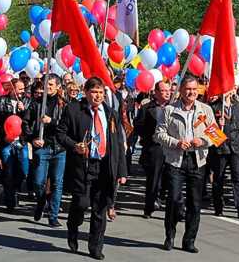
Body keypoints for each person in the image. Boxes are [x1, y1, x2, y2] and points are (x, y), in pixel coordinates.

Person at [56, 77, 127, 260]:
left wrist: (121, 171)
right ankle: (73, 227)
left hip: (104, 165)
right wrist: (74, 145)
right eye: (94, 92)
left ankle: (95, 247)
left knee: (99, 208)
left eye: (101, 92)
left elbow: (118, 142)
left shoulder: (110, 113)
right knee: (81, 203)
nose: (97, 96)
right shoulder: (73, 110)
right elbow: (60, 134)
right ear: (86, 92)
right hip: (83, 165)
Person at [154, 75, 213, 253]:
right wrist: (176, 143)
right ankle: (169, 235)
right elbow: (159, 134)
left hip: (197, 160)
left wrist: (202, 141)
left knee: (195, 203)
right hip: (175, 160)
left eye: (194, 89)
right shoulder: (169, 110)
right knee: (173, 199)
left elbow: (215, 135)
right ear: (180, 91)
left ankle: (189, 240)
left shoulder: (205, 110)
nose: (191, 92)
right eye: (188, 89)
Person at [26, 74, 67, 227]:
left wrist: (52, 121)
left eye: (51, 84)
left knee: (57, 183)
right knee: (38, 182)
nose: (47, 87)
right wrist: (32, 138)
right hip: (41, 148)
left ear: (57, 86)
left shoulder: (63, 104)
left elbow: (66, 126)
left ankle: (53, 215)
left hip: (59, 148)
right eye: (45, 84)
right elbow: (26, 123)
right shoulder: (36, 103)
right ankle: (41, 201)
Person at [209, 91, 239, 218]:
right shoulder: (213, 107)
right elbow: (208, 129)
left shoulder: (238, 106)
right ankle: (218, 206)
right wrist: (218, 126)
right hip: (220, 148)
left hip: (235, 147)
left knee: (238, 177)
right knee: (219, 178)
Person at [0, 78, 30, 211]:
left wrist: (23, 111)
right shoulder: (1, 101)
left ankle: (16, 187)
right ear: (12, 89)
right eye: (19, 89)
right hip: (7, 141)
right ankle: (10, 198)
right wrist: (4, 135)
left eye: (23, 89)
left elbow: (29, 121)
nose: (22, 92)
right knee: (8, 170)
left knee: (23, 169)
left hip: (21, 141)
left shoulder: (26, 101)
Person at [134, 81, 170, 219]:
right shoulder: (147, 108)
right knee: (154, 179)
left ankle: (173, 205)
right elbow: (138, 125)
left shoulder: (174, 107)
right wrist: (148, 138)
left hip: (171, 148)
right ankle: (149, 206)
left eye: (168, 90)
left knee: (171, 178)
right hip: (154, 148)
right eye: (163, 90)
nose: (167, 93)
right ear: (156, 92)